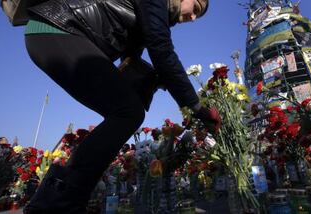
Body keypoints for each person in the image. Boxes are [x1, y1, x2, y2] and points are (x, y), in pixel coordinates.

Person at [23, 0, 221, 213]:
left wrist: (159, 79)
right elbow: (161, 49)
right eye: (196, 9)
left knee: (126, 111)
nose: (193, 18)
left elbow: (131, 57)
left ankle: (60, 200)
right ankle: (59, 204)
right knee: (128, 112)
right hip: (58, 28)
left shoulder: (153, 14)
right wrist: (197, 107)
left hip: (56, 34)